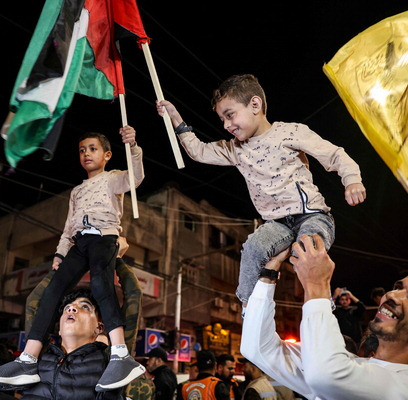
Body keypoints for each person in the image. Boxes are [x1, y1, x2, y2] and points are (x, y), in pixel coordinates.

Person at [156, 74, 366, 308]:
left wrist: (352, 180)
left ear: (255, 105)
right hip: (276, 224)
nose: (226, 125)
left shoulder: (290, 132)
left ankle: (323, 302)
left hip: (312, 215)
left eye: (230, 115)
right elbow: (199, 151)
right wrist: (176, 119)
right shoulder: (235, 149)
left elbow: (335, 154)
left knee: (306, 250)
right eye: (222, 119)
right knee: (253, 248)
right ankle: (249, 308)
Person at [0, 127, 145, 392]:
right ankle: (28, 359)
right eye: (82, 150)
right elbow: (68, 228)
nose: (86, 154)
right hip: (79, 242)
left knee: (102, 286)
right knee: (52, 291)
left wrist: (133, 146)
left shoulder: (113, 178)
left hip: (104, 237)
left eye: (93, 149)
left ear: (107, 155)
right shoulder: (77, 191)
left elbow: (135, 177)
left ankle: (121, 354)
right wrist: (59, 253)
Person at [241, 234, 408, 399]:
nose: (392, 295)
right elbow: (258, 347)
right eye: (398, 286)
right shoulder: (353, 367)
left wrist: (317, 284)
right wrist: (269, 273)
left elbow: (327, 375)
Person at [0, 288, 122, 399]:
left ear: (99, 328)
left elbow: (132, 297)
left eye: (85, 307)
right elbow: (34, 302)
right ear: (59, 329)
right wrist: (61, 265)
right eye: (67, 308)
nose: (71, 309)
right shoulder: (37, 354)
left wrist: (114, 261)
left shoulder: (111, 360)